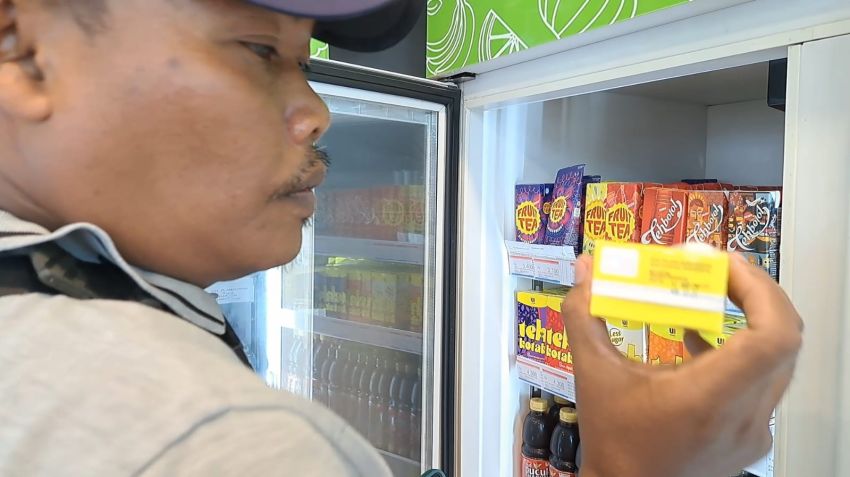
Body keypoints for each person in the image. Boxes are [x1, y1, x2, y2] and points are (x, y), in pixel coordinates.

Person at [0, 0, 802, 476]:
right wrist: (637, 468)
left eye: (305, 59)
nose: (317, 111)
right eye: (257, 50)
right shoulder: (226, 443)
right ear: (22, 49)